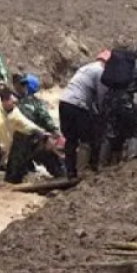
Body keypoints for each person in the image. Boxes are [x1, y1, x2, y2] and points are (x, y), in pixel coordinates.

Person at [58, 51, 110, 180]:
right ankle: (83, 171)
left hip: (64, 102)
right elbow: (101, 96)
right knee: (86, 139)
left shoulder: (85, 68)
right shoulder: (100, 71)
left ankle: (70, 172)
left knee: (70, 140)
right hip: (78, 105)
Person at [4, 73, 63, 184]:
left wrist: (54, 131)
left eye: (24, 84)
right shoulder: (13, 101)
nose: (23, 87)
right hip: (23, 142)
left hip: (31, 140)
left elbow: (45, 119)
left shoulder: (30, 102)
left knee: (48, 155)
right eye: (21, 84)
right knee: (13, 178)